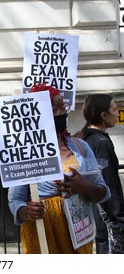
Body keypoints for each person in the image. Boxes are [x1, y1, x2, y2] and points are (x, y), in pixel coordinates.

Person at [8, 83, 111, 254]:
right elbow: (15, 201)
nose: (63, 113)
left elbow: (104, 192)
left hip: (79, 236)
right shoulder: (25, 154)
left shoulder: (81, 147)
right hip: (43, 235)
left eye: (64, 108)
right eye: (56, 110)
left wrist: (85, 186)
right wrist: (27, 212)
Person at [74, 94, 124, 254]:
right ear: (103, 115)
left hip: (96, 215)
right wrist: (121, 217)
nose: (117, 114)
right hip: (108, 218)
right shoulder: (101, 143)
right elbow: (110, 183)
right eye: (115, 110)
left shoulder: (86, 139)